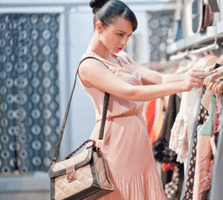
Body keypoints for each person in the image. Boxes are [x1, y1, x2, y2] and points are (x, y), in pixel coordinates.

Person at [78, 0, 209, 199]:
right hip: (115, 142)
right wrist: (183, 85)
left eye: (128, 36)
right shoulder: (89, 65)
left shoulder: (122, 58)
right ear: (99, 28)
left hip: (137, 139)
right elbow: (130, 92)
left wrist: (199, 75)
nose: (124, 42)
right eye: (120, 34)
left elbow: (160, 78)